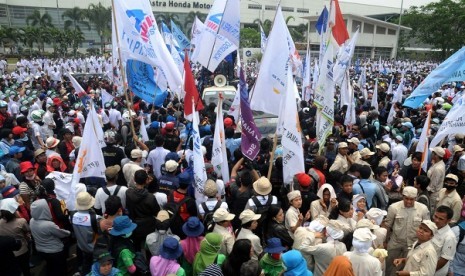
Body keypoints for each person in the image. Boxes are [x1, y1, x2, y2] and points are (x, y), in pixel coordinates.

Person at [383, 186, 430, 276]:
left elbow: (427, 227)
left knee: (408, 269)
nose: (408, 202)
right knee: (389, 267)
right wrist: (385, 241)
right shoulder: (394, 208)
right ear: (402, 196)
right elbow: (387, 226)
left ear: (416, 198)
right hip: (395, 243)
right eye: (406, 199)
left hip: (413, 245)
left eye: (411, 199)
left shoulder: (423, 209)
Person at [30, 198, 71, 276]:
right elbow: (62, 234)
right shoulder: (48, 225)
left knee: (50, 266)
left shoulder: (32, 221)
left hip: (41, 249)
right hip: (55, 251)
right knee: (61, 269)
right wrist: (68, 232)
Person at [125, 169, 160, 251]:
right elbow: (156, 212)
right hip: (148, 225)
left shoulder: (128, 193)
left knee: (136, 247)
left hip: (134, 225)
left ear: (134, 180)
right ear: (146, 180)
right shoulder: (150, 197)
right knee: (149, 246)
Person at [72, 191, 101, 275]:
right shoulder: (95, 218)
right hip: (94, 247)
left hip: (82, 246)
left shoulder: (73, 216)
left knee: (86, 264)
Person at [0, 198, 31, 276]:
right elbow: (27, 230)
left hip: (9, 251)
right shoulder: (21, 221)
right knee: (25, 268)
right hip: (22, 250)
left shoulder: (0, 223)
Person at [431, 206, 457, 276]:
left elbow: (444, 260)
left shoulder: (450, 237)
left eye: (441, 219)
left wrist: (428, 270)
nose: (436, 220)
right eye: (435, 216)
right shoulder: (432, 227)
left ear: (448, 220)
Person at [427, 146, 446, 212]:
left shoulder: (438, 168)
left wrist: (426, 193)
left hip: (432, 195)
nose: (431, 154)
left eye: (433, 153)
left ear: (436, 155)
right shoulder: (439, 163)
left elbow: (433, 185)